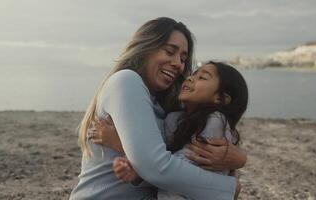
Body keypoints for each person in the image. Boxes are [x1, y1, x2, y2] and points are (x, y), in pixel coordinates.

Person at [70, 17, 245, 200]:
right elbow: (155, 167)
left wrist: (239, 158)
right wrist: (229, 188)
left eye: (183, 58)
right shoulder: (126, 81)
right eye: (170, 51)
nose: (178, 63)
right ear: (146, 49)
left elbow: (172, 159)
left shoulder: (167, 106)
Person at [92, 61, 248, 200]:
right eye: (193, 74)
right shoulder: (174, 118)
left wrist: (124, 148)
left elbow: (178, 166)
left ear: (220, 99)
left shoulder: (215, 121)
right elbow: (160, 156)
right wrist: (137, 167)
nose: (190, 78)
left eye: (203, 78)